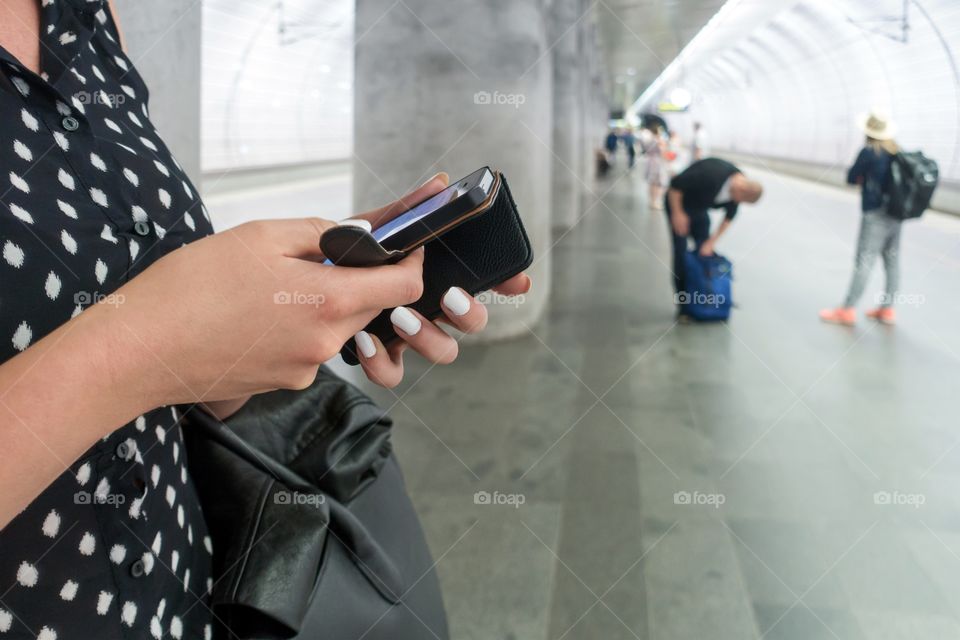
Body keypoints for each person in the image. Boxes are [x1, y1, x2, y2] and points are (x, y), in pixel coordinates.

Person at [0, 2, 531, 638]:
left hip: (186, 594)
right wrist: (138, 346)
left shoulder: (86, 16)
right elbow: (135, 347)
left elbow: (186, 389)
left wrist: (296, 301)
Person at [820, 111, 902, 326]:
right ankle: (887, 309)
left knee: (864, 261)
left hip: (875, 214)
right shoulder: (897, 152)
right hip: (896, 215)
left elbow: (850, 177)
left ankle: (846, 309)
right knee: (892, 260)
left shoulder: (869, 152)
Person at [664, 158, 763, 320]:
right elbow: (675, 185)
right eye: (740, 199)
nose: (737, 203)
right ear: (741, 188)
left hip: (700, 209)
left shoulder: (738, 188)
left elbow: (729, 217)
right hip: (679, 204)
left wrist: (711, 242)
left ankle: (703, 299)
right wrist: (677, 213)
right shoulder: (711, 174)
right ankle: (683, 307)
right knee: (681, 254)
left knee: (704, 252)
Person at [642, 125, 669, 210]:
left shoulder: (649, 140)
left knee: (652, 183)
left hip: (650, 162)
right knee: (658, 183)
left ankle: (652, 201)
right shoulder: (658, 140)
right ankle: (655, 201)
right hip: (657, 163)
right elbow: (663, 152)